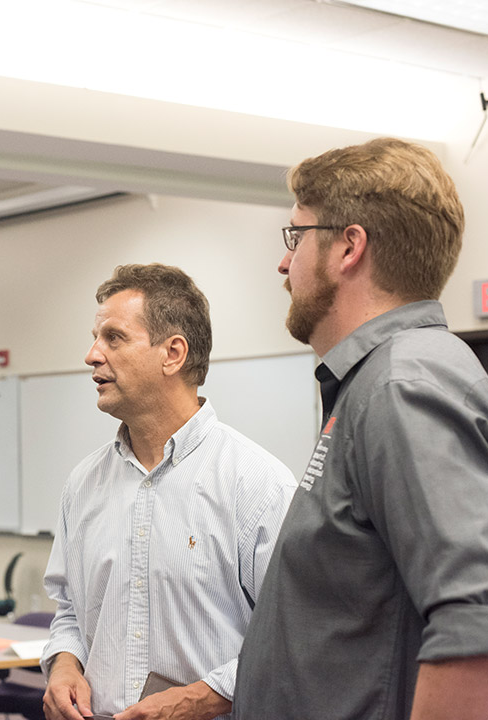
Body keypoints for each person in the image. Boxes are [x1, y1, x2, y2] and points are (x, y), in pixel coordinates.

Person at [232, 138, 488, 719]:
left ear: (348, 247)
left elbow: (483, 624)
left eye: (296, 236)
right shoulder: (376, 381)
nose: (284, 263)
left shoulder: (401, 384)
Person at [41, 264, 297, 720]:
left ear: (173, 353)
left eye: (113, 338)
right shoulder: (82, 484)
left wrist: (198, 699)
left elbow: (297, 635)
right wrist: (64, 666)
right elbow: (70, 614)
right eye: (96, 337)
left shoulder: (258, 485)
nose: (91, 355)